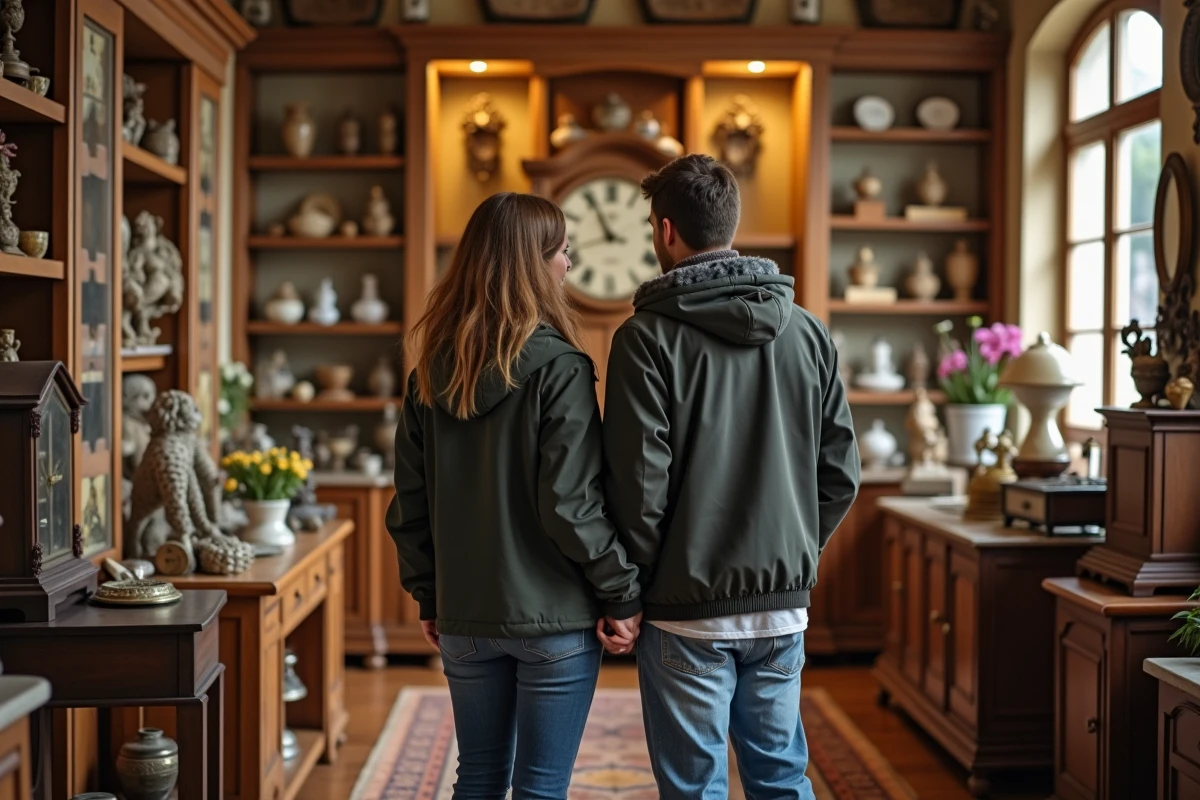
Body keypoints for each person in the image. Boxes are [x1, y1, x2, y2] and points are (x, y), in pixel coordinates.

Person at [599, 154, 861, 800]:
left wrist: (628, 593)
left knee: (695, 790)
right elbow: (841, 473)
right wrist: (790, 550)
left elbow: (640, 486)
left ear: (665, 232)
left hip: (686, 612)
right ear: (731, 222)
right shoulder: (808, 332)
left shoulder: (646, 338)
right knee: (780, 779)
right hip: (781, 609)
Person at [387, 192, 643, 799]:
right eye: (562, 251)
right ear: (535, 264)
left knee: (475, 778)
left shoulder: (428, 373)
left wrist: (430, 596)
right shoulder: (562, 368)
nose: (570, 265)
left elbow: (409, 505)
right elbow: (570, 504)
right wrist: (621, 589)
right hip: (554, 620)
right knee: (542, 786)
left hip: (465, 617)